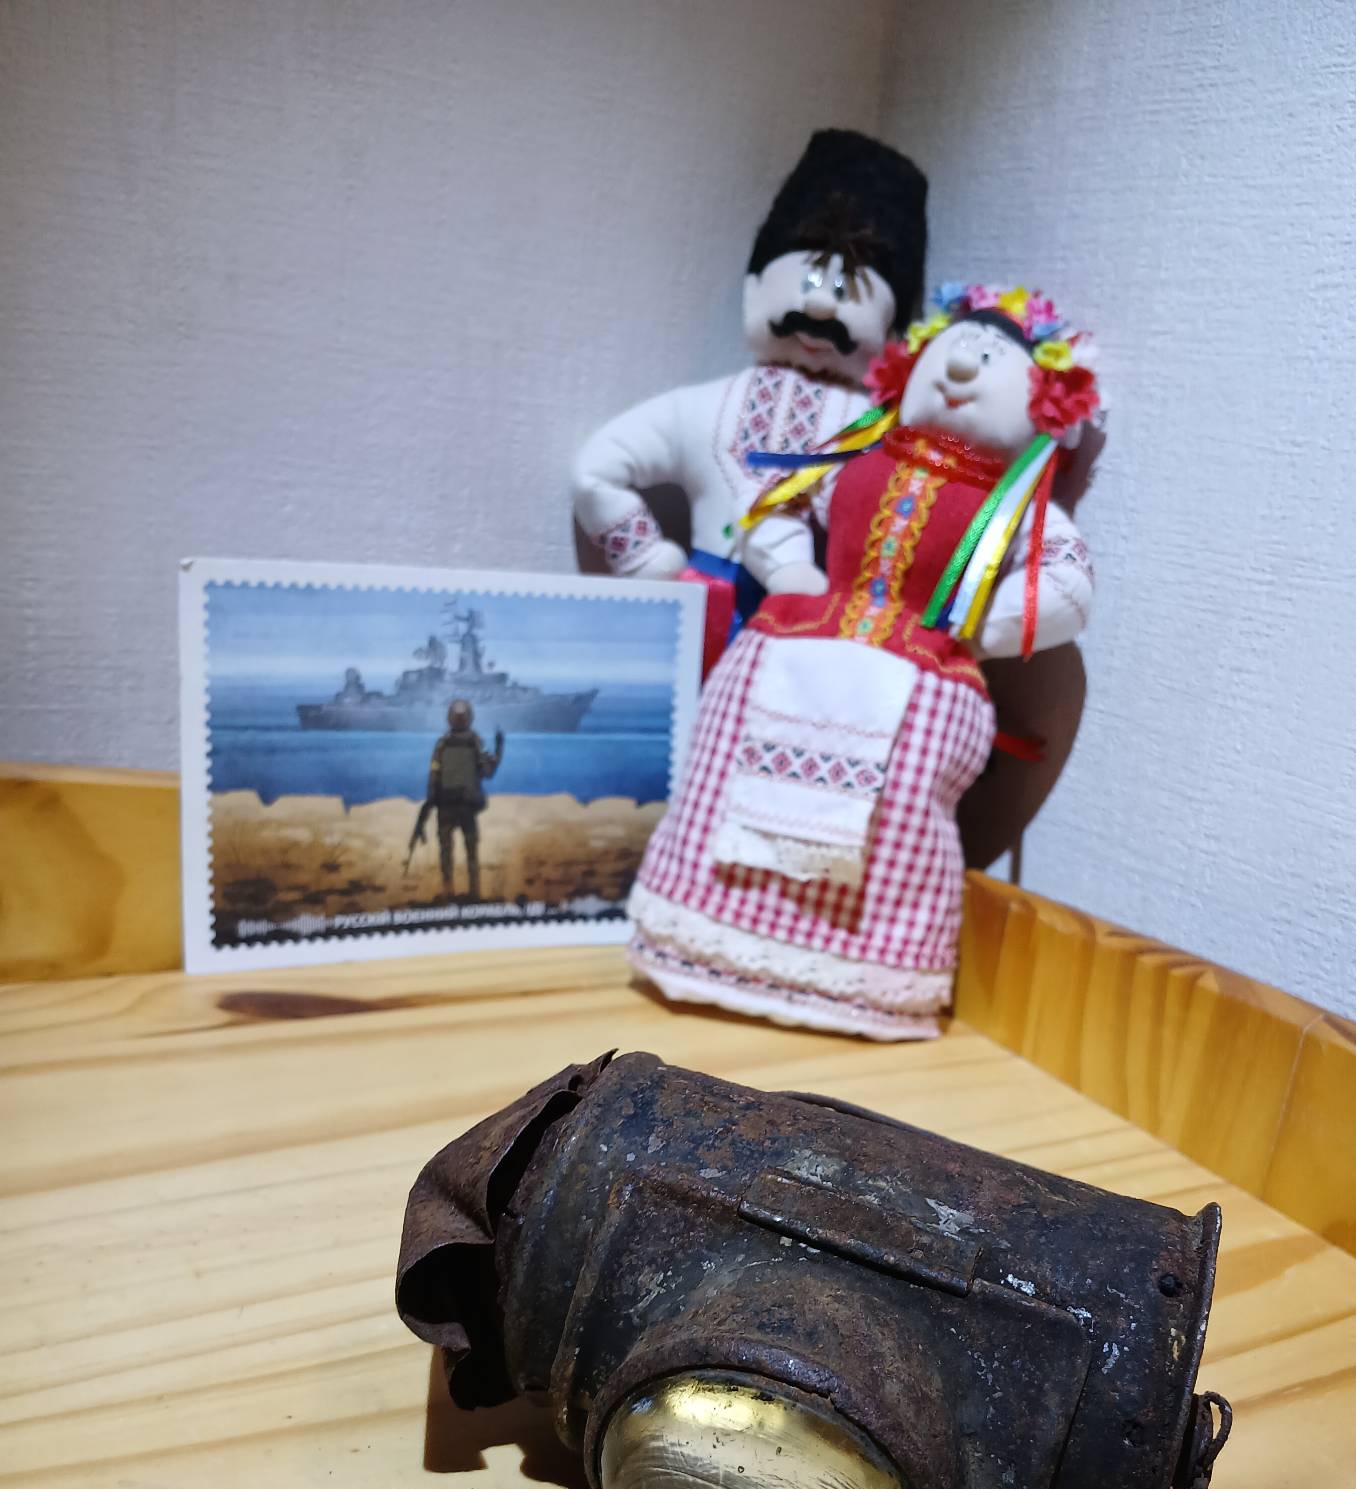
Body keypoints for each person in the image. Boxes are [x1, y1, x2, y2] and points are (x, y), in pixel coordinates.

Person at [627, 286, 1100, 1039]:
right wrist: (791, 572)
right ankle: (699, 927)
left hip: (925, 668)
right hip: (798, 631)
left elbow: (1066, 582)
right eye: (950, 354)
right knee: (726, 757)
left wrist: (983, 627)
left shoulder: (1016, 506)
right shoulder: (853, 455)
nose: (961, 372)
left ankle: (867, 971)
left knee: (903, 805)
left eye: (989, 360)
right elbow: (776, 502)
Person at [573, 130, 929, 674]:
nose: (819, 305)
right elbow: (596, 470)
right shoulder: (704, 408)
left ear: (892, 331)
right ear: (755, 289)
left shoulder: (876, 432)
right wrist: (645, 559)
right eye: (810, 278)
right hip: (697, 621)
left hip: (810, 631)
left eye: (844, 291)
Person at [427, 698, 503, 900]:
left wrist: (431, 800)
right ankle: (474, 892)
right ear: (470, 717)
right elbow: (488, 772)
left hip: (445, 806)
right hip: (467, 807)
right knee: (471, 851)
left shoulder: (441, 743)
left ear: (449, 718)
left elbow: (434, 774)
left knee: (446, 851)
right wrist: (498, 750)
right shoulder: (476, 742)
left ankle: (447, 891)